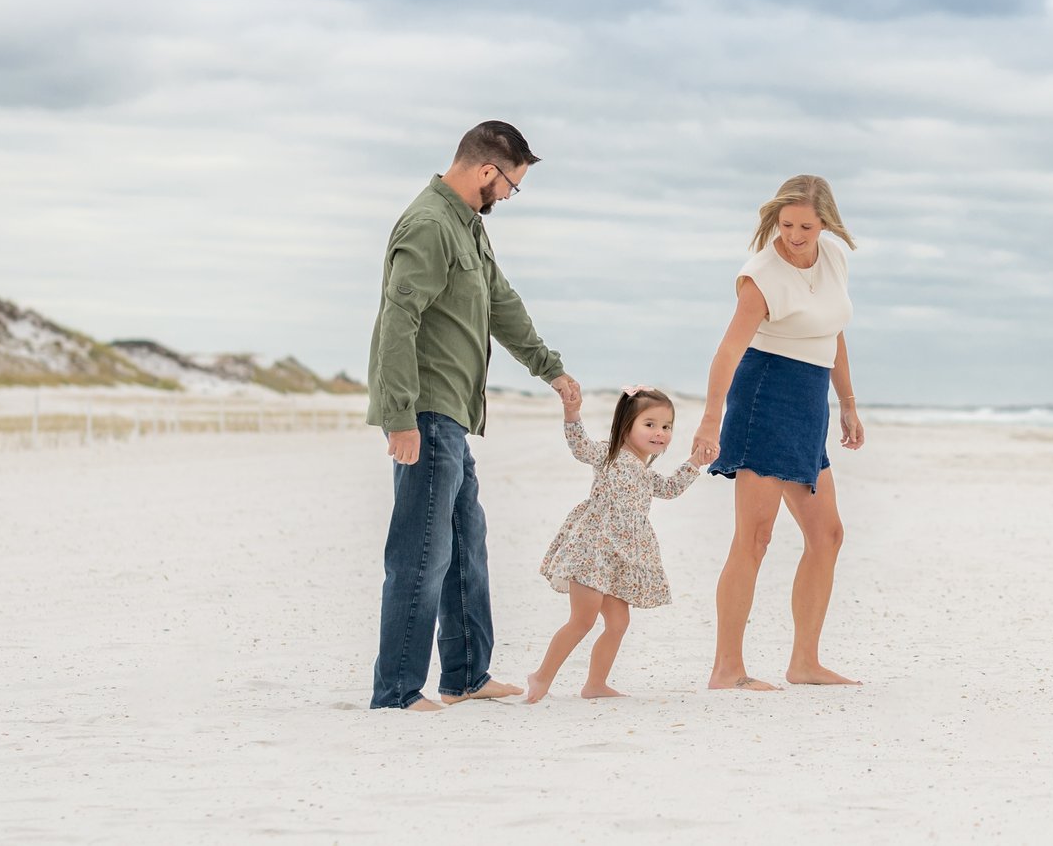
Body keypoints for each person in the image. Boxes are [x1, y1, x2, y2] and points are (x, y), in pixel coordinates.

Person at [365, 120, 585, 712]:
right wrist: (400, 416)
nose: (510, 197)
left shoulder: (468, 228)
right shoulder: (430, 225)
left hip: (455, 417)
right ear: (487, 171)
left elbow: (500, 303)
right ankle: (396, 692)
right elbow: (397, 322)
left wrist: (551, 369)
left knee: (466, 544)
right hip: (427, 411)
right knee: (421, 553)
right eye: (512, 185)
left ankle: (465, 675)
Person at [691, 174, 865, 691]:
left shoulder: (834, 259)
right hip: (764, 397)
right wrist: (709, 418)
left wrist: (849, 404)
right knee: (755, 537)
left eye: (805, 226)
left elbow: (833, 333)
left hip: (810, 403)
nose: (794, 234)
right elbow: (728, 351)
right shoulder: (760, 276)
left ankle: (805, 663)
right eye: (786, 224)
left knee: (827, 535)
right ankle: (727, 669)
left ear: (825, 223)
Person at [524, 386, 710, 703]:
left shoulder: (645, 473)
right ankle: (541, 677)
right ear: (626, 426)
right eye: (649, 424)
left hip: (619, 557)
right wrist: (572, 412)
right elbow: (580, 446)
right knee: (582, 619)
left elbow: (670, 488)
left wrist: (695, 461)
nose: (660, 433)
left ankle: (595, 684)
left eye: (666, 426)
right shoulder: (610, 455)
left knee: (619, 622)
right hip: (592, 548)